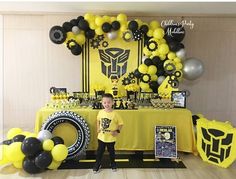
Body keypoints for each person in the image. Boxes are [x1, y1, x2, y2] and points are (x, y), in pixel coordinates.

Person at [93, 93, 123, 173]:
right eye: (105, 102)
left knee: (112, 152)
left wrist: (117, 131)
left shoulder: (115, 114)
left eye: (109, 102)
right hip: (101, 137)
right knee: (99, 152)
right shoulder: (100, 112)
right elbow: (98, 120)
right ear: (102, 103)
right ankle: (97, 164)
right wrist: (98, 128)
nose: (107, 104)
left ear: (113, 102)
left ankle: (113, 163)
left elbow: (121, 124)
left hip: (111, 138)